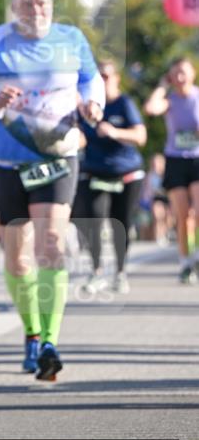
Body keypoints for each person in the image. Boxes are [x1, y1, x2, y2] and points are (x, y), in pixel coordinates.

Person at [0, 0, 104, 380]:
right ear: (14, 7)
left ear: (51, 5)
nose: (35, 9)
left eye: (42, 2)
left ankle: (51, 341)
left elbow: (91, 81)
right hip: (7, 159)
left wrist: (93, 105)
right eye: (26, 3)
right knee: (18, 259)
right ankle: (32, 333)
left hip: (57, 155)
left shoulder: (71, 39)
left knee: (51, 243)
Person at [72, 60, 146, 295]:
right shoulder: (86, 106)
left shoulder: (124, 104)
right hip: (94, 171)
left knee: (120, 223)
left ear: (116, 79)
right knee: (93, 220)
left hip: (125, 173)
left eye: (106, 76)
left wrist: (115, 132)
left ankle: (120, 273)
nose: (102, 81)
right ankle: (96, 271)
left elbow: (140, 136)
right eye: (98, 77)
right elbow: (78, 134)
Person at [144, 57, 199, 284]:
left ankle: (197, 255)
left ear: (193, 73)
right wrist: (161, 86)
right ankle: (186, 262)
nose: (179, 77)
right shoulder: (169, 99)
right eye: (174, 73)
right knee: (182, 215)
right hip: (175, 160)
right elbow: (150, 108)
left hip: (197, 158)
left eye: (183, 72)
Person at [138, 154, 172, 245]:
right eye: (154, 163)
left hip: (168, 199)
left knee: (168, 217)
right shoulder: (149, 176)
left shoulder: (168, 174)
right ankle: (159, 236)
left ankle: (165, 233)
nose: (155, 165)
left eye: (157, 163)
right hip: (154, 199)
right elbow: (146, 192)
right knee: (158, 215)